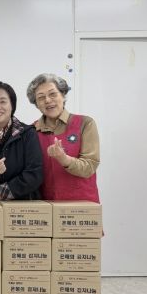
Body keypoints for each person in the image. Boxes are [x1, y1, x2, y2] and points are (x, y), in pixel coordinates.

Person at [26, 73, 100, 202]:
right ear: (36, 104)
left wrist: (64, 159)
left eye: (53, 94)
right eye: (41, 97)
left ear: (63, 95)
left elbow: (89, 166)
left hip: (82, 203)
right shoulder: (31, 131)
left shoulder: (85, 123)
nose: (47, 100)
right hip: (46, 204)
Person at [0, 81, 43, 201]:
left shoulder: (27, 133)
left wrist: (1, 194)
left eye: (3, 101)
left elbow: (35, 173)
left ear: (12, 105)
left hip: (23, 203)